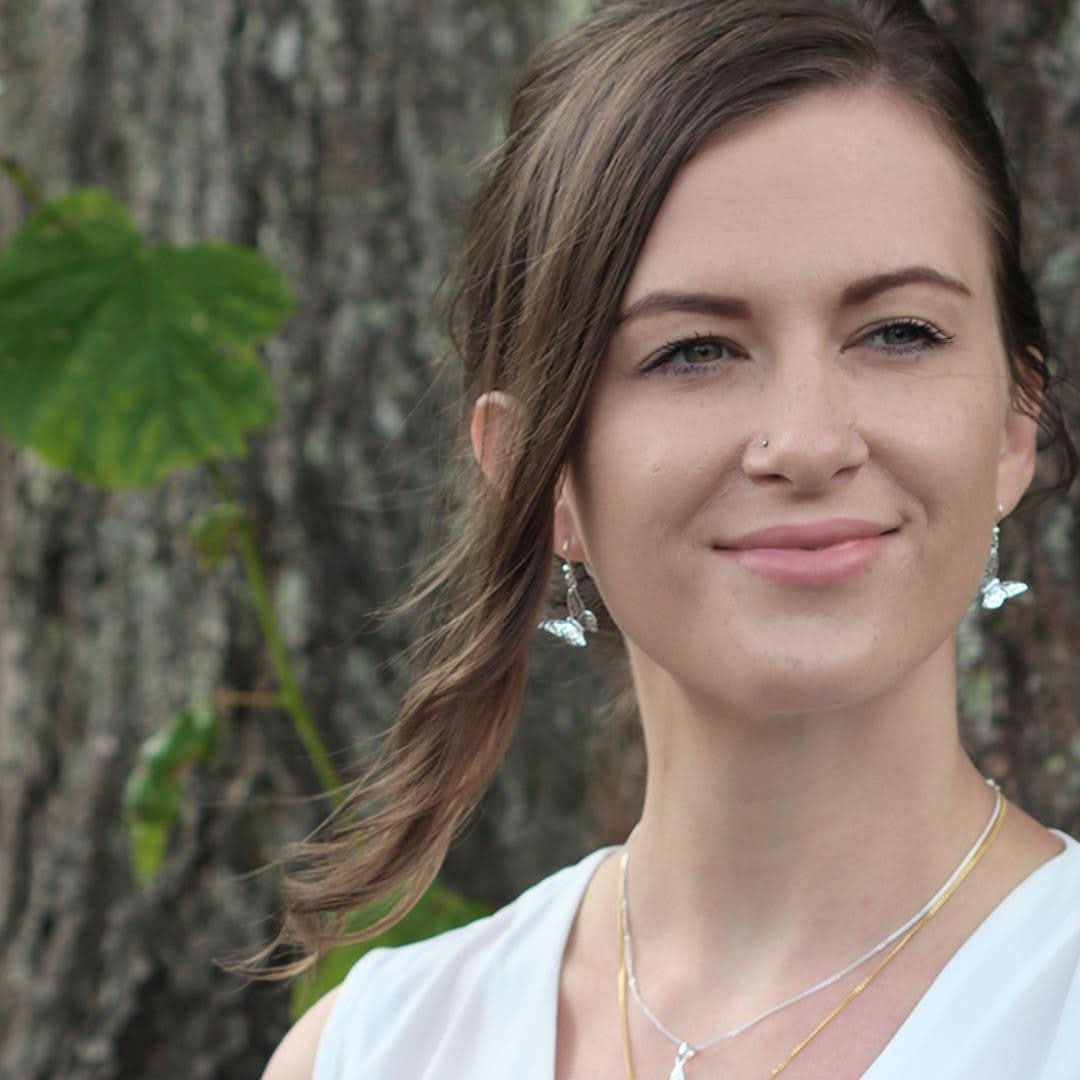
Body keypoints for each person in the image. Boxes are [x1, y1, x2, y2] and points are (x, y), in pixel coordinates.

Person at [260, 1, 1080, 1076]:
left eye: (899, 333)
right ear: (536, 472)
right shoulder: (378, 1052)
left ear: (1014, 424)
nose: (808, 441)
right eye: (693, 350)